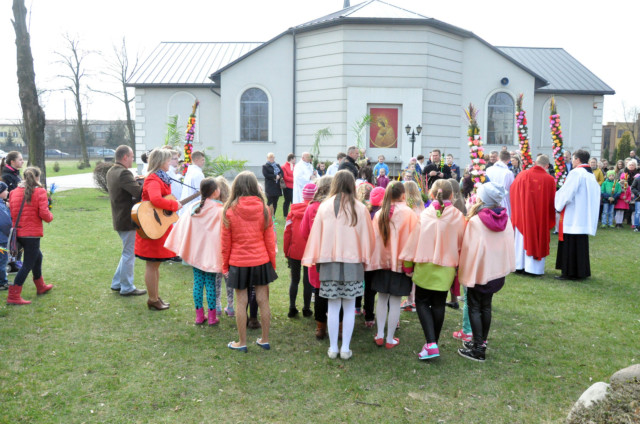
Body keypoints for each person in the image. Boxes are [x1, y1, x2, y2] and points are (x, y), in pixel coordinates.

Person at [302, 170, 375, 360]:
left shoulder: (324, 207)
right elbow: (369, 237)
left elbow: (315, 235)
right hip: (353, 262)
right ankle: (345, 348)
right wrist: (366, 258)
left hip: (329, 262)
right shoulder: (360, 208)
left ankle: (334, 347)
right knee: (349, 306)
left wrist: (316, 258)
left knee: (333, 306)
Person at [400, 179, 466, 360]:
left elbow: (413, 240)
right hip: (446, 267)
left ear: (431, 194)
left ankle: (431, 343)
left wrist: (407, 264)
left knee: (422, 302)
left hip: (425, 265)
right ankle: (432, 342)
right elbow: (463, 243)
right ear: (452, 195)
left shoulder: (425, 214)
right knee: (438, 304)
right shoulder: (458, 217)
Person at [457, 182, 515, 362]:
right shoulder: (505, 219)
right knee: (486, 306)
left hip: (479, 270)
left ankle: (478, 348)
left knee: (475, 306)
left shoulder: (476, 221)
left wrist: (463, 269)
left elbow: (468, 248)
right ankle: (480, 341)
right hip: (495, 270)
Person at [222, 171, 277, 353]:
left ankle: (242, 342)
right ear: (255, 186)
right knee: (263, 300)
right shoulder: (264, 209)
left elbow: (225, 243)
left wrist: (225, 265)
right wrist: (272, 263)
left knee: (241, 301)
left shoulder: (229, 211)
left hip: (239, 262)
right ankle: (265, 339)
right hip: (261, 260)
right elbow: (270, 241)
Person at [165, 177, 224, 325]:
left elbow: (181, 227)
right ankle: (212, 317)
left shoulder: (193, 208)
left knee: (198, 283)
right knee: (210, 284)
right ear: (215, 192)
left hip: (195, 254)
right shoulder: (220, 210)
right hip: (211, 255)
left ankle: (199, 316)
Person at [367, 182, 418, 349]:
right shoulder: (409, 213)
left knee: (382, 298)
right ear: (403, 195)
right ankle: (389, 338)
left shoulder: (380, 213)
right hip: (401, 263)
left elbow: (373, 238)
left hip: (382, 262)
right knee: (395, 301)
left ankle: (380, 335)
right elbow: (414, 238)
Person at [135, 148, 183, 310]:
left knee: (155, 264)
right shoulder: (154, 179)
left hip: (158, 225)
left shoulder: (160, 177)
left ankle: (155, 297)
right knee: (152, 264)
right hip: (152, 226)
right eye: (168, 160)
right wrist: (173, 205)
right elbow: (155, 199)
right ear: (161, 162)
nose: (170, 162)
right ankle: (152, 299)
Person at [6, 167, 54, 305]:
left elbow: (13, 212)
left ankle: (40, 286)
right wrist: (50, 216)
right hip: (31, 234)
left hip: (18, 232)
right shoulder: (40, 192)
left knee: (38, 257)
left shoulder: (14, 192)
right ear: (37, 177)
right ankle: (14, 295)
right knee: (28, 264)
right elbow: (44, 214)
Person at [106, 145, 147, 297]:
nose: (132, 159)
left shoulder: (112, 171)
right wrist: (145, 182)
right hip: (127, 219)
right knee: (129, 254)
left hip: (119, 218)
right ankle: (127, 287)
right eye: (131, 156)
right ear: (125, 157)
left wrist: (135, 181)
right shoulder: (124, 173)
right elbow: (138, 192)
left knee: (127, 252)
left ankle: (117, 283)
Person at [554, 150, 600, 280]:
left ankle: (569, 272)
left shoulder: (576, 173)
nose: (572, 161)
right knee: (580, 244)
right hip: (583, 215)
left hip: (573, 214)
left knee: (570, 243)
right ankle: (581, 271)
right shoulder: (590, 175)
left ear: (578, 159)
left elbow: (567, 193)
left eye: (573, 159)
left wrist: (558, 204)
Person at [510, 155, 556, 276]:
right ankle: (534, 269)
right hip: (540, 216)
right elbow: (551, 200)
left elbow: (513, 192)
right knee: (537, 238)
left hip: (523, 214)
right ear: (547, 166)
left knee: (520, 240)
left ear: (535, 163)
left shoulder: (522, 175)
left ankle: (519, 265)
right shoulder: (549, 179)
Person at [299, 175, 333, 339]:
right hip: (334, 253)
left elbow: (304, 232)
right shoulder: (335, 206)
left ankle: (321, 326)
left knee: (319, 291)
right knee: (335, 291)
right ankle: (338, 325)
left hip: (318, 253)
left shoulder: (312, 207)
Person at [284, 183, 316, 318]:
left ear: (303, 196)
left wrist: (286, 251)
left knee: (294, 280)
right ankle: (306, 308)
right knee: (307, 281)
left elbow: (287, 233)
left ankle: (292, 307)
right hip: (309, 251)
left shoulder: (292, 211)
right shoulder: (315, 210)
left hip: (294, 250)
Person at [2, 151, 24, 272]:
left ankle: (17, 261)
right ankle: (12, 262)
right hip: (10, 211)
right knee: (12, 237)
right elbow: (5, 194)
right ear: (12, 162)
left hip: (18, 211)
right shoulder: (6, 176)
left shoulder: (16, 174)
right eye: (20, 159)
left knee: (19, 237)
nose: (22, 161)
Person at [485, 150, 514, 215]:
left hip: (489, 200)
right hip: (503, 201)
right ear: (508, 160)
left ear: (498, 158)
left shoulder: (488, 169)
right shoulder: (508, 173)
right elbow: (511, 189)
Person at [179, 150, 206, 214]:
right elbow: (201, 192)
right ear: (196, 160)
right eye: (202, 160)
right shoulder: (198, 174)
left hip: (187, 207)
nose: (204, 162)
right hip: (194, 207)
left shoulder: (190, 172)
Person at [0, 183, 11, 291]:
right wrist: (10, 233)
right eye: (6, 190)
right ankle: (2, 282)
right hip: (2, 240)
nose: (7, 192)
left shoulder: (2, 204)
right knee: (2, 260)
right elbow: (5, 223)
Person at [281, 153, 295, 218]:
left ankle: (293, 213)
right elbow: (285, 177)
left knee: (293, 201)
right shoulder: (284, 166)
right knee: (287, 201)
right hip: (287, 187)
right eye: (294, 159)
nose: (295, 160)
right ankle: (285, 215)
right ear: (291, 159)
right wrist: (294, 179)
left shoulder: (295, 166)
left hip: (294, 187)